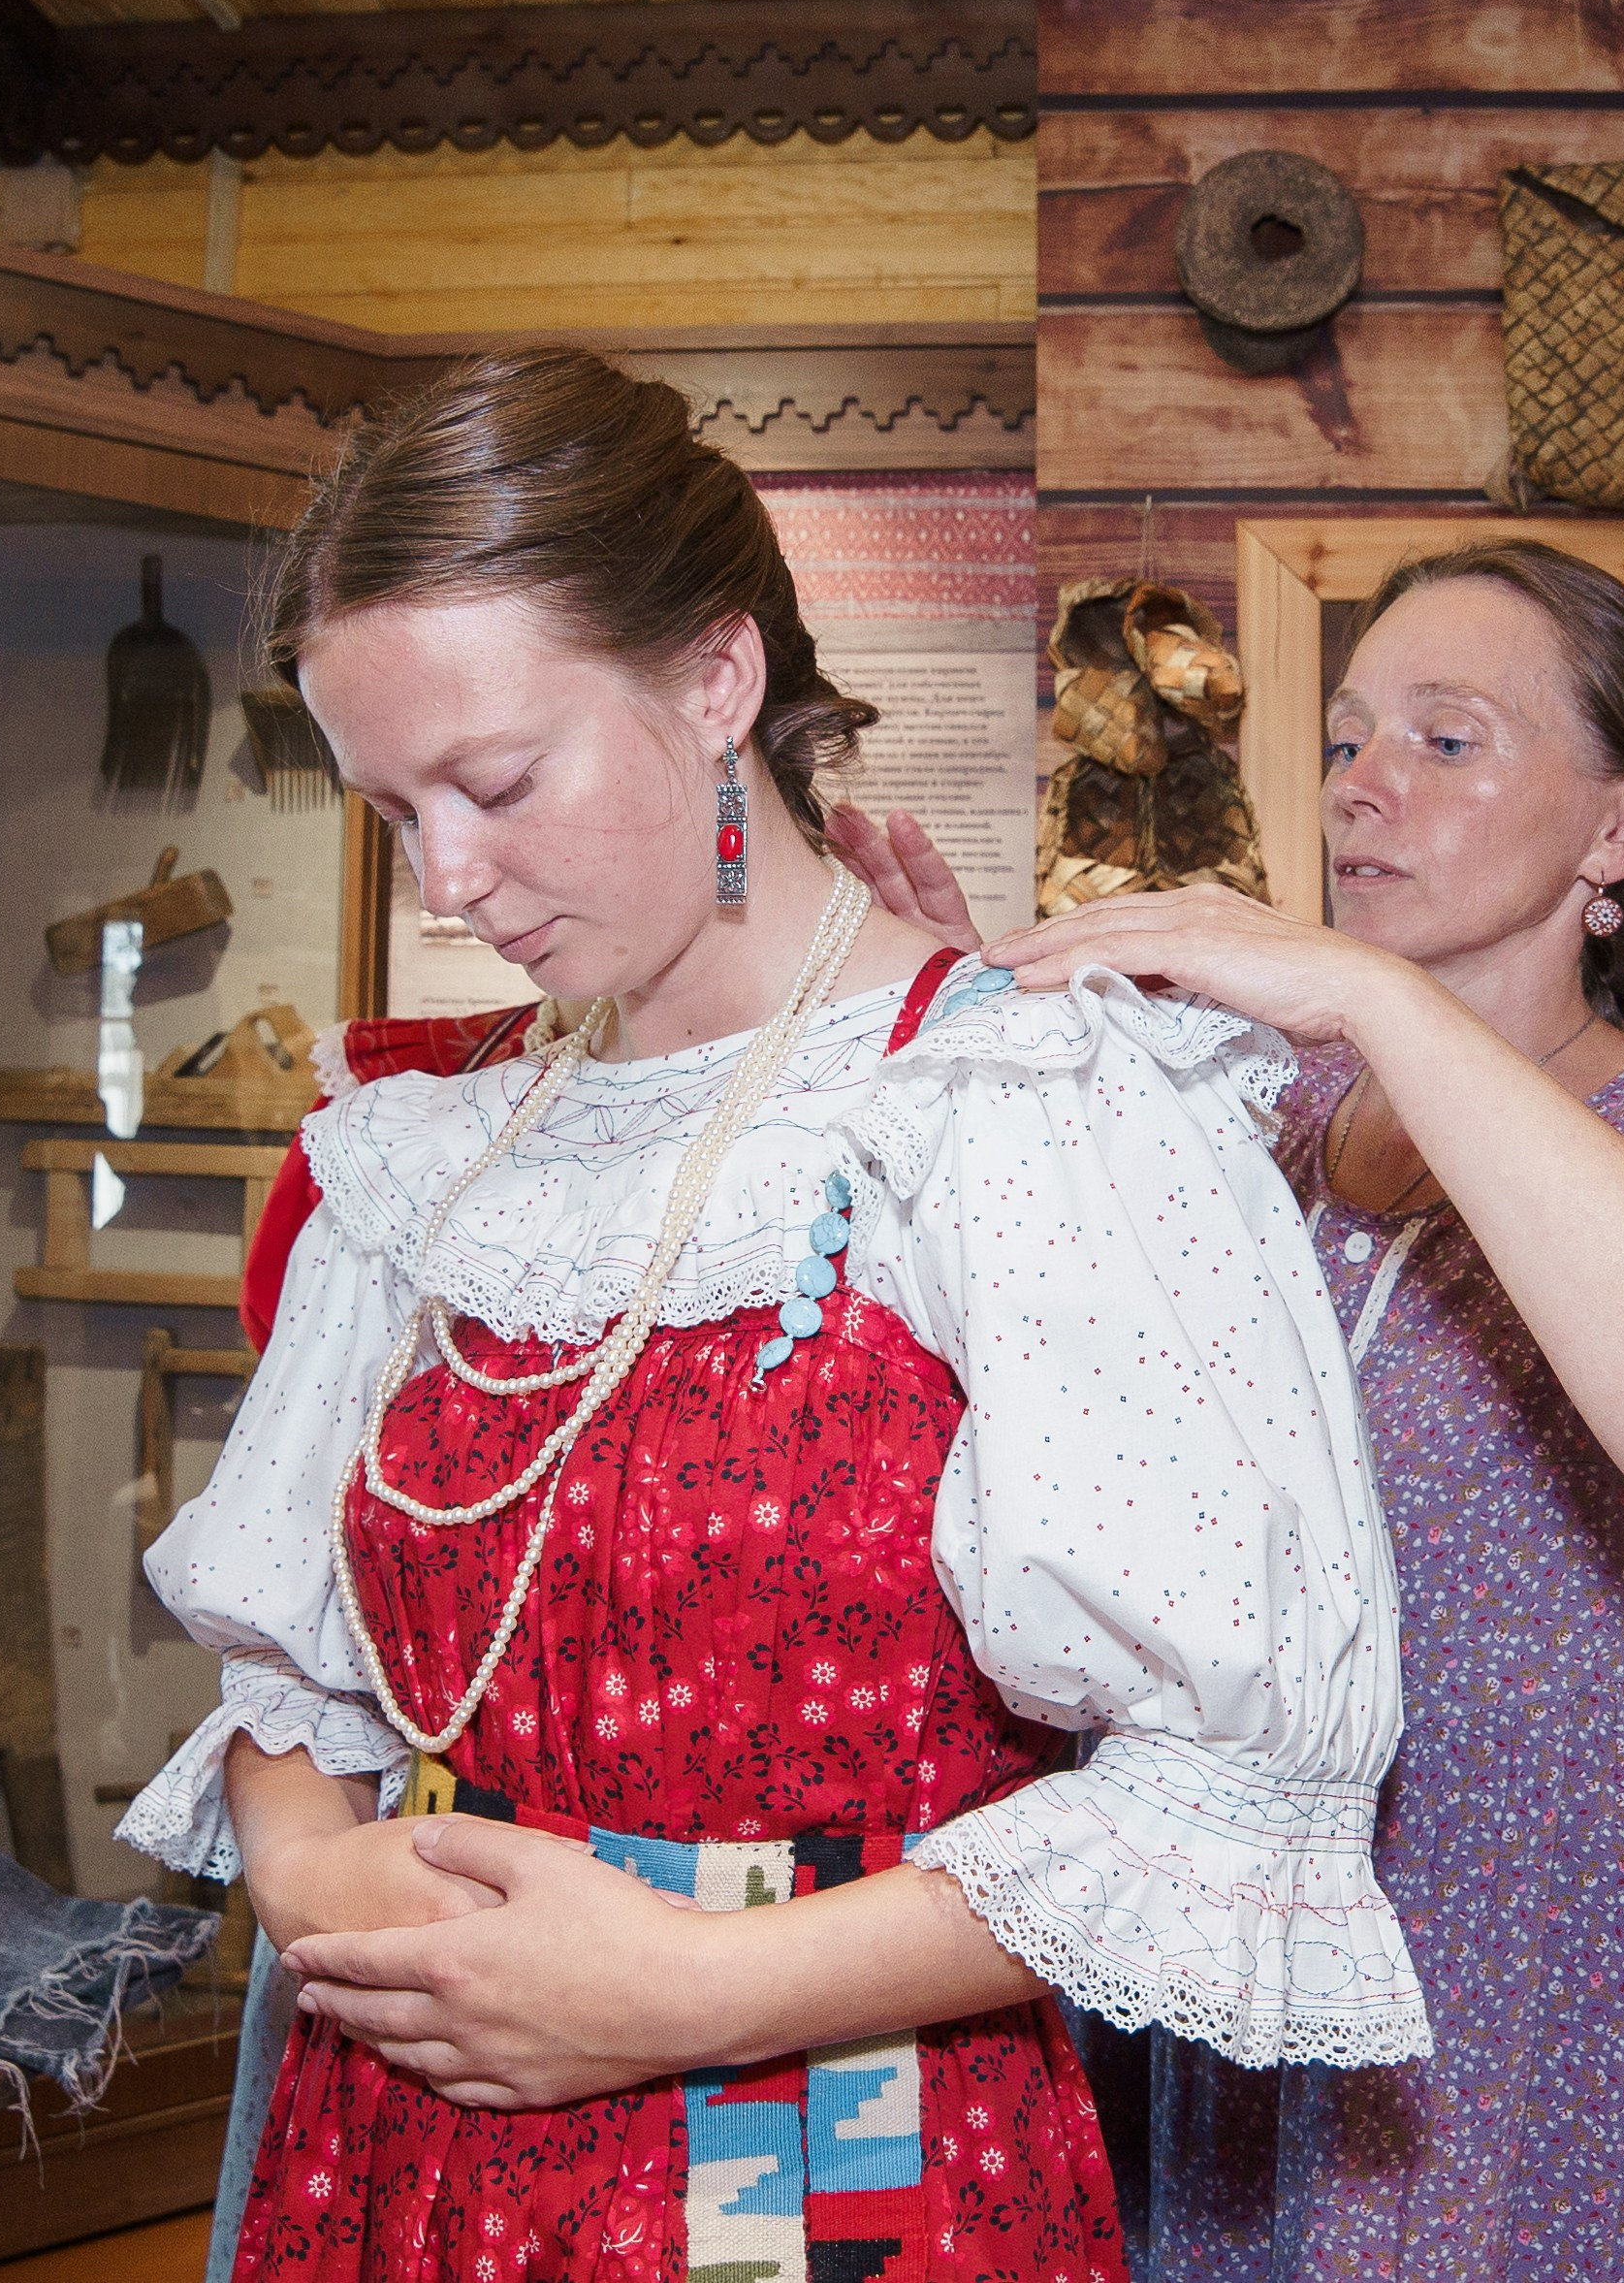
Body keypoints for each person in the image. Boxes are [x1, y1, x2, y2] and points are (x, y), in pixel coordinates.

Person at [119, 349, 1428, 2283]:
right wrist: (321, 1878)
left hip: (830, 2139)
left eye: (496, 782)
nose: (451, 882)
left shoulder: (1016, 1110)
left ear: (719, 681)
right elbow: (288, 1680)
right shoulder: (435, 1149)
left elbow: (1227, 1784)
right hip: (407, 2140)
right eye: (395, 809)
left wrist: (684, 1992)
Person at [829, 537, 1624, 2280]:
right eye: (1344, 742)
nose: (1362, 789)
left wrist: (1379, 996)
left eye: (1447, 739)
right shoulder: (1254, 1102)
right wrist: (998, 1070)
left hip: (1532, 1971)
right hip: (1213, 1922)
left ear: (1622, 830)